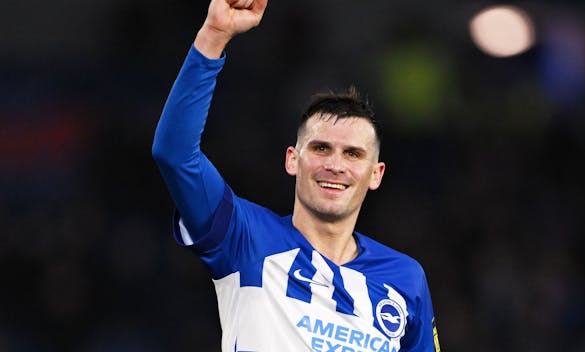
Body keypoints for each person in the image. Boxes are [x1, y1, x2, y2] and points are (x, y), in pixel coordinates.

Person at [152, 0, 441, 351]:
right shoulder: (245, 239)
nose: (335, 164)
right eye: (321, 148)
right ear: (292, 160)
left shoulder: (406, 280)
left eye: (353, 154)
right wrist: (213, 35)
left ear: (376, 174)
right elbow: (176, 154)